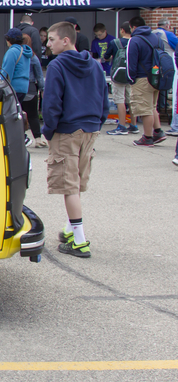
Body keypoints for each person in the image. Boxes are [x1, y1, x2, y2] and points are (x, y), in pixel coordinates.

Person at [43, 22, 107, 258]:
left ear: (66, 40)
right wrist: (97, 122)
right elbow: (104, 98)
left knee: (68, 186)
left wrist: (48, 131)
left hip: (67, 129)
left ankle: (79, 241)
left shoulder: (57, 66)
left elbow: (51, 104)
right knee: (78, 182)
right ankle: (71, 229)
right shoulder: (94, 64)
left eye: (51, 39)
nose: (48, 44)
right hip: (90, 128)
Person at [127, 16, 169, 147]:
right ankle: (158, 131)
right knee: (152, 106)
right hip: (156, 77)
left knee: (144, 109)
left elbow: (131, 62)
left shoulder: (135, 40)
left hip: (141, 78)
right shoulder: (156, 37)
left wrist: (131, 79)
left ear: (133, 27)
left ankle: (147, 137)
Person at [105, 23, 139, 135]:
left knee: (120, 100)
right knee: (131, 100)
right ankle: (134, 125)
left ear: (122, 30)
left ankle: (122, 126)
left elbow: (106, 56)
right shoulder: (136, 42)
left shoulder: (115, 43)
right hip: (132, 75)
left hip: (118, 75)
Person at [0, 28, 33, 144]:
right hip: (24, 87)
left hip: (13, 86)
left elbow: (7, 72)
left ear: (8, 40)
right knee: (16, 113)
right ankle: (21, 136)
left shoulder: (12, 51)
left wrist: (0, 84)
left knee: (9, 114)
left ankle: (21, 137)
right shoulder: (26, 51)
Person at [21, 35, 46, 147]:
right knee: (33, 115)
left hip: (19, 88)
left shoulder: (16, 55)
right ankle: (38, 139)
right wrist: (42, 89)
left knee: (19, 115)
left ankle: (22, 137)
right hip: (31, 87)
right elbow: (39, 76)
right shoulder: (33, 57)